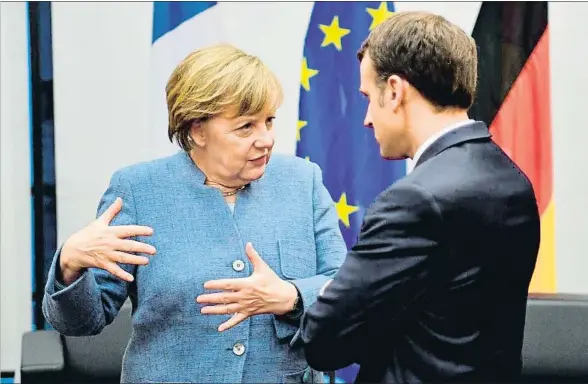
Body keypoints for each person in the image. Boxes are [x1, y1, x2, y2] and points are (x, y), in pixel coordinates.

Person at [42, 44, 347, 383]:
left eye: (269, 121)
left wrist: (290, 297)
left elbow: (345, 288)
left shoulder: (302, 182)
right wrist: (70, 264)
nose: (266, 140)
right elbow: (83, 322)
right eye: (246, 127)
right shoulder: (139, 190)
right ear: (196, 130)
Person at [295, 11, 541, 384]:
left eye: (368, 98)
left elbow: (324, 342)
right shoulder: (513, 180)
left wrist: (328, 292)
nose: (366, 118)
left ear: (394, 91)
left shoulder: (412, 201)